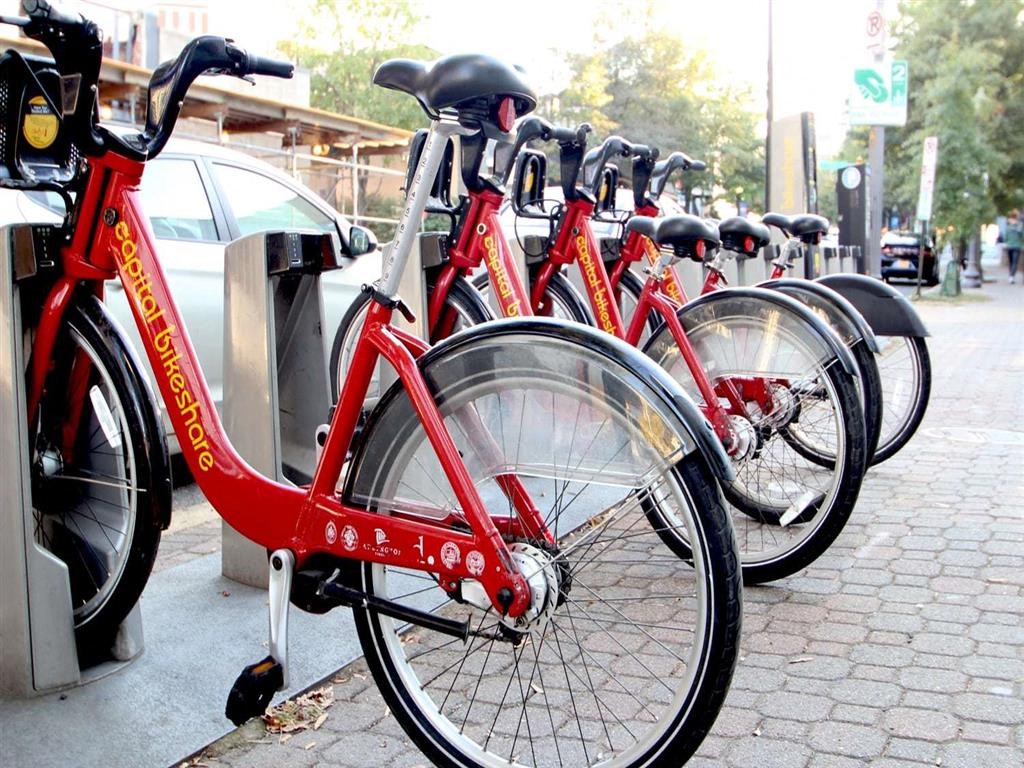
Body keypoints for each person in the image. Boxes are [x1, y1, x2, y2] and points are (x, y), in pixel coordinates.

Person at [1006, 211, 1023, 284]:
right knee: (1014, 262)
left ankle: (1010, 276)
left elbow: (1005, 237)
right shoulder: (1020, 225)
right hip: (1017, 246)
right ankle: (1011, 276)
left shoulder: (1008, 226)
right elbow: (1022, 235)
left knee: (1011, 262)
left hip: (1009, 246)